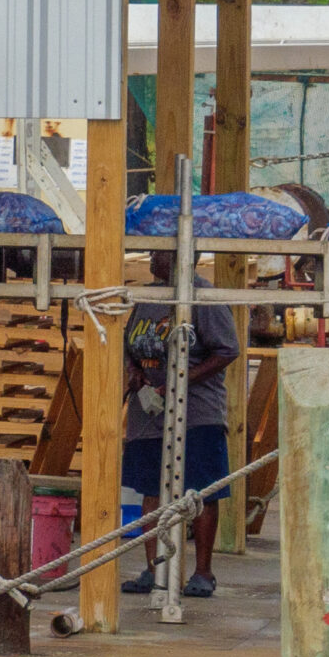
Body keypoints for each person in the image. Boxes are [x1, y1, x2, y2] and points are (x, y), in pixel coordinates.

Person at [120, 251, 240, 600]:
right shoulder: (148, 298)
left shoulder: (204, 297)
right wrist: (136, 373)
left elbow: (227, 350)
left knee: (202, 490)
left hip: (197, 412)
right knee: (150, 488)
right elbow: (131, 343)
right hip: (150, 410)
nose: (152, 261)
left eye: (160, 256)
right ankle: (153, 567)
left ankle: (203, 572)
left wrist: (182, 379)